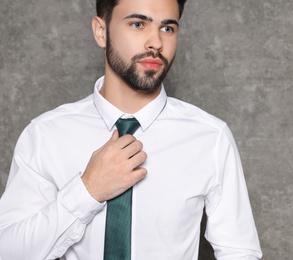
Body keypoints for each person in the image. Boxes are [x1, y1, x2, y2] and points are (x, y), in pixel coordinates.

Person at [0, 0, 262, 259]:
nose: (156, 43)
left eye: (168, 28)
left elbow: (239, 252)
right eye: (138, 24)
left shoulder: (210, 138)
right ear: (101, 32)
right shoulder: (46, 135)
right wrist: (87, 192)